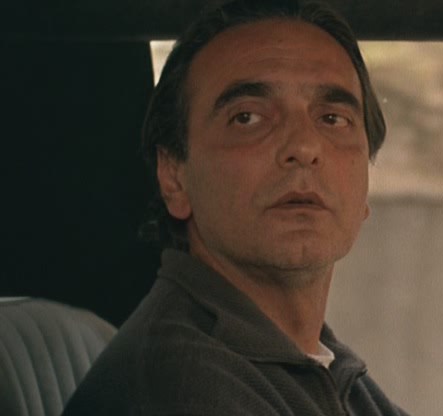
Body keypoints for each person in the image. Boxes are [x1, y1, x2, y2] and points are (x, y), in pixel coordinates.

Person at [62, 0, 407, 415]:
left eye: (333, 119)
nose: (303, 147)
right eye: (247, 118)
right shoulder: (185, 388)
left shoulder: (324, 368)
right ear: (174, 177)